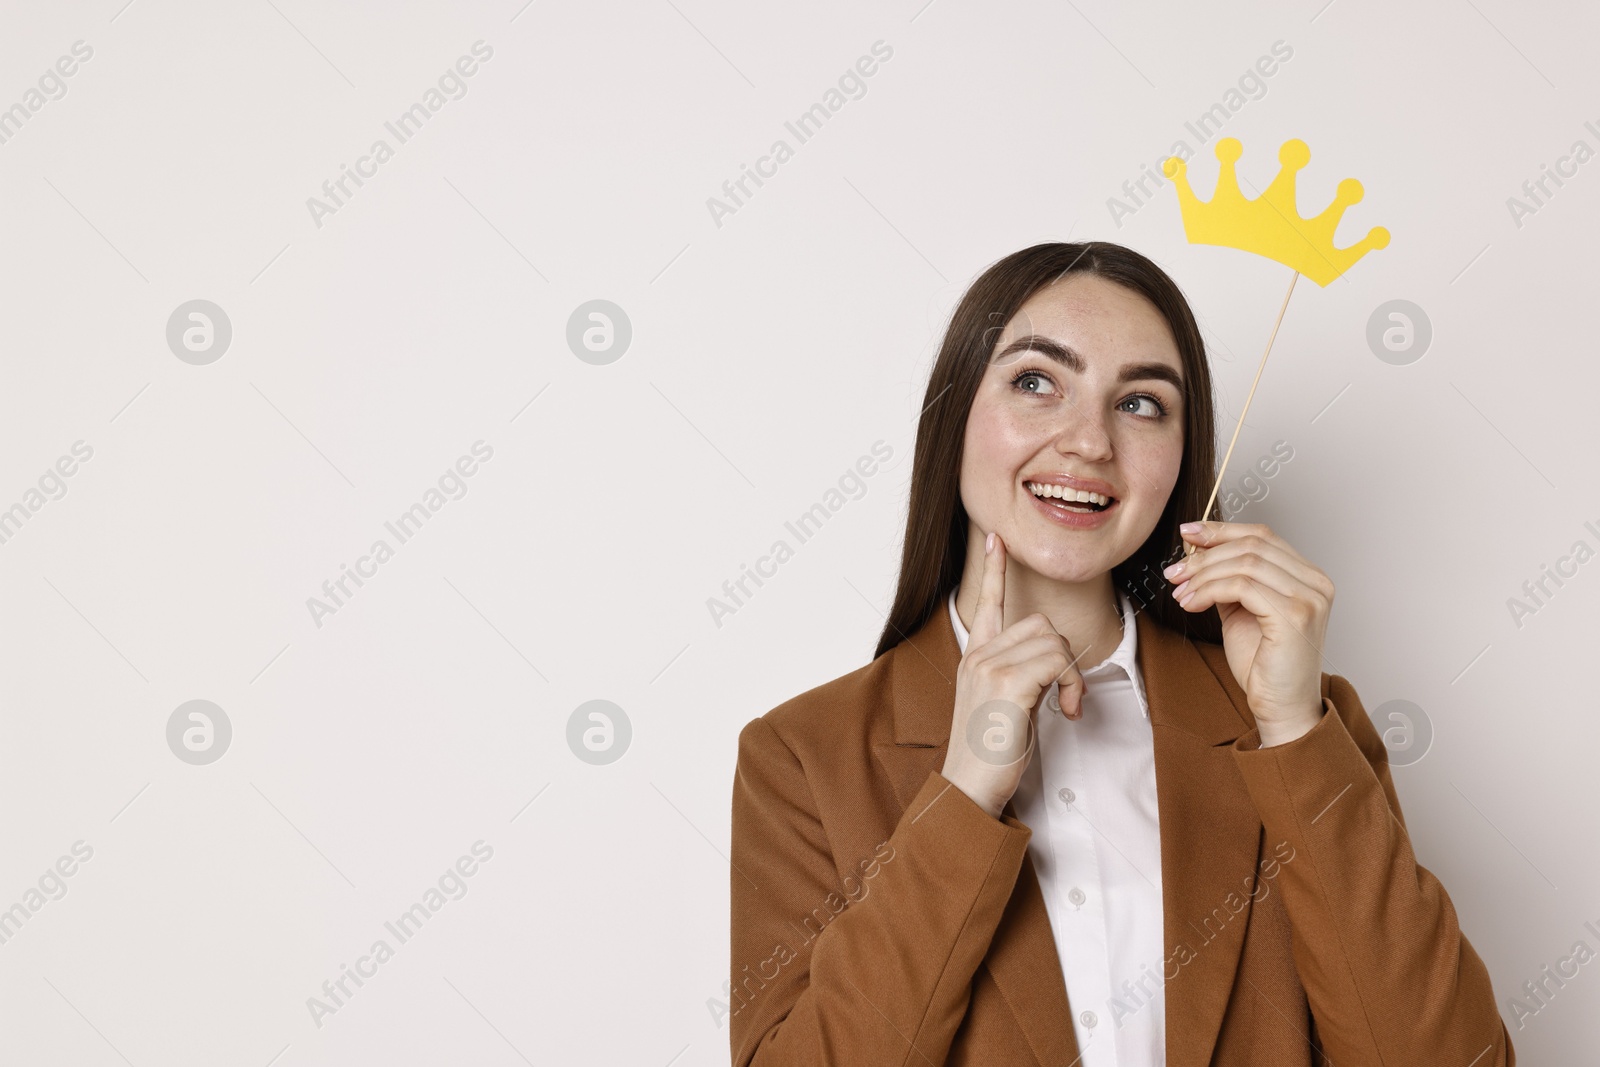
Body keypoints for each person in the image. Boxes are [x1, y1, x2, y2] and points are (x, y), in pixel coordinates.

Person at [727, 241, 1514, 1066]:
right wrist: (963, 793)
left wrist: (1292, 728)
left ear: (1180, 458)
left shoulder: (1306, 725)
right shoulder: (804, 756)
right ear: (954, 411)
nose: (1089, 442)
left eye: (1140, 403)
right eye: (1036, 381)